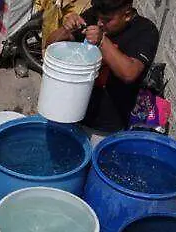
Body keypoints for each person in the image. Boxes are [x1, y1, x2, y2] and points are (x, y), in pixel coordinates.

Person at [47, 0, 159, 140]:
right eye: (98, 17)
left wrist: (102, 41)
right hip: (69, 111)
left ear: (127, 15)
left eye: (107, 20)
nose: (99, 23)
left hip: (104, 125)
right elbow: (50, 46)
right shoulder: (94, 16)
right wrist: (65, 29)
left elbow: (129, 73)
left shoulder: (145, 31)